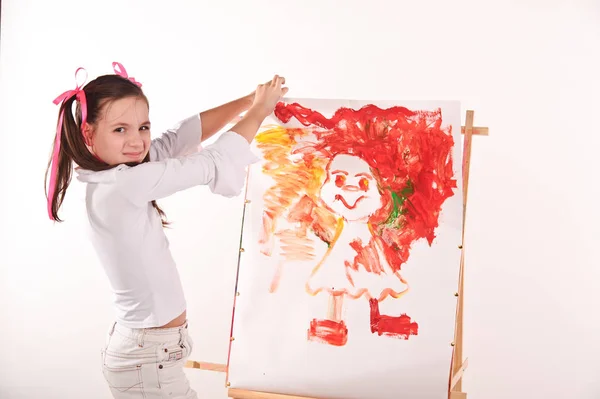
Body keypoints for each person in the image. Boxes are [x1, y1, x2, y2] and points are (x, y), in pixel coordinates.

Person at [45, 62, 288, 398]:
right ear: (88, 134)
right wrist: (260, 111)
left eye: (143, 127)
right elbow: (210, 163)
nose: (137, 141)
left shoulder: (117, 174)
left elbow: (179, 138)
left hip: (149, 354)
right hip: (147, 359)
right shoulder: (121, 184)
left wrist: (247, 101)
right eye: (120, 130)